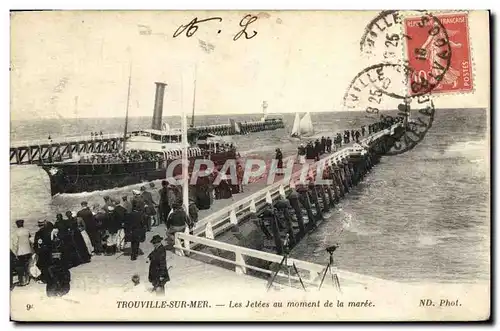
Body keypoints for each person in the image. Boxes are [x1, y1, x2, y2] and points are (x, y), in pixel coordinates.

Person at [12, 220, 33, 286]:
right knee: (27, 266)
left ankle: (22, 281)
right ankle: (27, 280)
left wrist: (14, 253)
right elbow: (30, 239)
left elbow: (15, 244)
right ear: (22, 224)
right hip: (28, 251)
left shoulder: (16, 232)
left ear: (17, 225)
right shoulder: (27, 230)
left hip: (21, 252)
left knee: (21, 267)